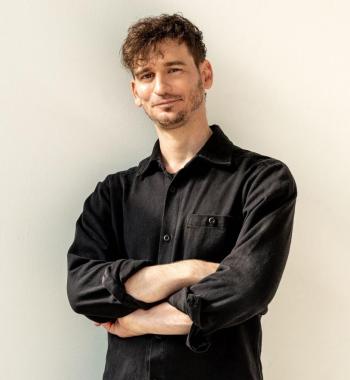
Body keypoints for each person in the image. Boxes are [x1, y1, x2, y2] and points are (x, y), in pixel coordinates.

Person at [66, 13, 297, 380]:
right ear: (135, 93)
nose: (160, 87)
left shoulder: (262, 180)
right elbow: (82, 291)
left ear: (204, 75)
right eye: (146, 75)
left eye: (174, 69)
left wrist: (138, 320)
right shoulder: (112, 194)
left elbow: (245, 290)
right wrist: (187, 271)